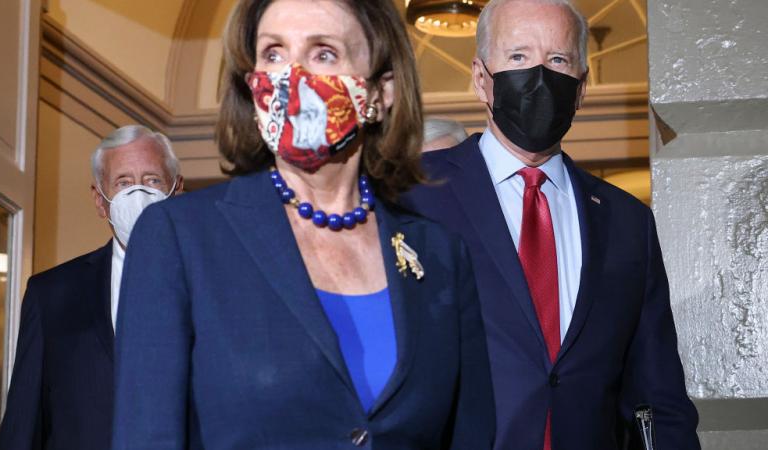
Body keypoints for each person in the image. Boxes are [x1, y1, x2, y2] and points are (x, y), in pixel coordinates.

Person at [111, 0, 495, 449]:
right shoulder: (179, 238)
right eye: (273, 53)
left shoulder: (440, 255)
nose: (292, 78)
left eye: (323, 53)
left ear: (380, 92)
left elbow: (469, 434)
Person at [401, 1, 701, 449]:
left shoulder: (626, 222)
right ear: (482, 79)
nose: (538, 76)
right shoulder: (411, 194)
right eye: (518, 57)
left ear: (581, 87)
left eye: (557, 59)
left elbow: (657, 396)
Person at [0, 125, 183, 450]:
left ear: (176, 190)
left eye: (152, 180)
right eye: (123, 182)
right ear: (100, 201)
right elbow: (23, 426)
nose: (138, 194)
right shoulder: (51, 295)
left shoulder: (214, 285)